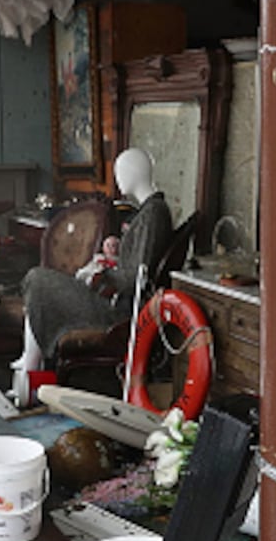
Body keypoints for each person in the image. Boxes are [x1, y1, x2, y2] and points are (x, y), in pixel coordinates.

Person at [14, 147, 173, 401]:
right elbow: (138, 263)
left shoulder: (153, 215)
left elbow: (135, 280)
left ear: (134, 173)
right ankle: (31, 365)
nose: (118, 178)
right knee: (42, 280)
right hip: (116, 298)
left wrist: (101, 276)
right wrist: (114, 256)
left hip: (118, 311)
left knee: (38, 279)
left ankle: (31, 367)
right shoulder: (149, 211)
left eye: (120, 171)